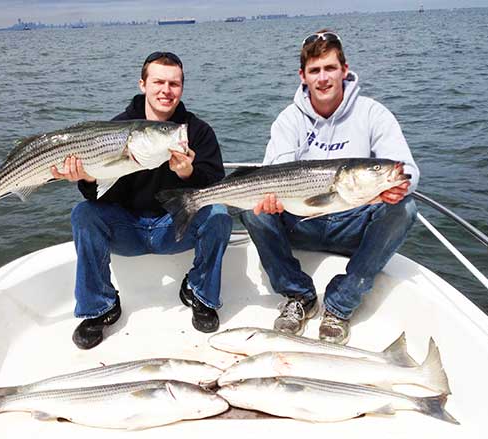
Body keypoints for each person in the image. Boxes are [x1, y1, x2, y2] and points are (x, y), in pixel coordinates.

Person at [240, 30, 419, 345]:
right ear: (303, 76)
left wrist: (397, 187)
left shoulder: (372, 113)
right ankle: (298, 296)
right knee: (255, 213)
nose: (323, 78)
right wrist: (274, 200)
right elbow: (277, 171)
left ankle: (340, 306)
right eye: (315, 70)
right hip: (300, 219)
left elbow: (407, 170)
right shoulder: (288, 120)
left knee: (405, 207)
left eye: (330, 68)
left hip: (353, 219)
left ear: (344, 69)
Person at [51, 51, 232, 350]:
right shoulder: (116, 128)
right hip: (128, 229)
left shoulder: (196, 131)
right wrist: (88, 177)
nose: (166, 90)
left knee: (219, 215)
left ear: (182, 88)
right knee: (84, 214)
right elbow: (98, 199)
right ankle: (100, 307)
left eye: (174, 84)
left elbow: (217, 186)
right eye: (158, 81)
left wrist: (189, 174)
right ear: (142, 84)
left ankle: (200, 293)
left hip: (175, 227)